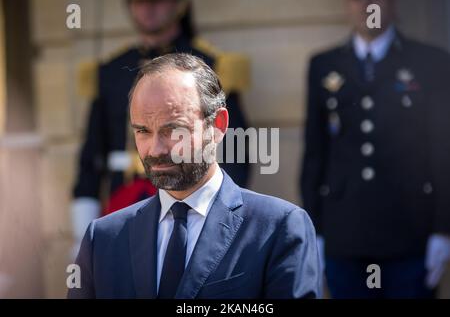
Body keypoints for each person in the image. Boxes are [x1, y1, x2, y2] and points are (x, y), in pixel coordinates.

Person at [68, 53, 320, 299]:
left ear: (218, 126)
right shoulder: (101, 239)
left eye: (173, 130)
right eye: (143, 131)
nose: (155, 150)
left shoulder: (278, 228)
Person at [71, 0, 250, 257]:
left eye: (158, 1)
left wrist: (221, 216)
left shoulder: (212, 63)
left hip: (193, 202)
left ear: (180, 5)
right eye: (138, 2)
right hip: (124, 201)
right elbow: (91, 156)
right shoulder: (109, 70)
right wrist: (81, 232)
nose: (148, 8)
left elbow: (235, 150)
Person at [301, 0, 450, 298]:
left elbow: (443, 150)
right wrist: (312, 230)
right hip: (344, 234)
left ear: (393, 4)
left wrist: (443, 229)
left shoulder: (431, 63)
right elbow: (315, 153)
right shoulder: (323, 65)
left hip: (409, 234)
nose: (367, 6)